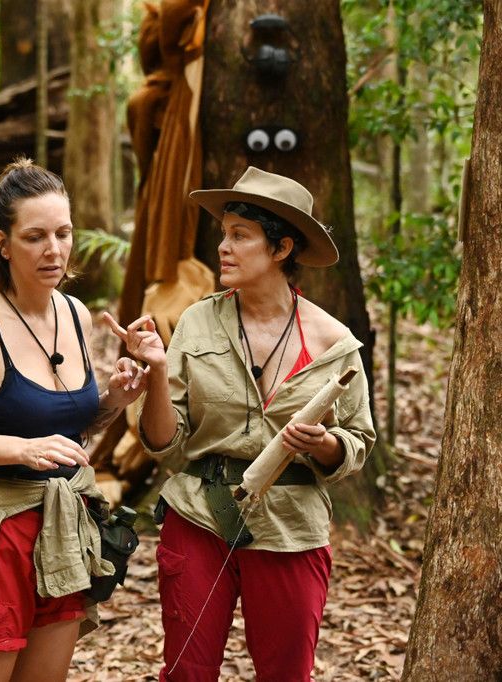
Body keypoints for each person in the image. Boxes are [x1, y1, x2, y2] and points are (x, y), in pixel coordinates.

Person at [106, 166, 376, 681]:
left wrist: (323, 444)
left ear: (281, 248)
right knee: (187, 672)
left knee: (286, 673)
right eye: (224, 234)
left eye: (240, 236)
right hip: (199, 515)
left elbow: (358, 442)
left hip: (291, 527)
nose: (223, 248)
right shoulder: (198, 321)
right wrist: (157, 372)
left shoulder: (334, 341)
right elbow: (165, 442)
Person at [0, 159, 150, 682]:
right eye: (35, 237)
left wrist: (116, 398)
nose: (53, 250)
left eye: (63, 233)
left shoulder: (75, 314)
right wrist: (19, 449)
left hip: (62, 528)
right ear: (3, 243)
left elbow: (70, 431)